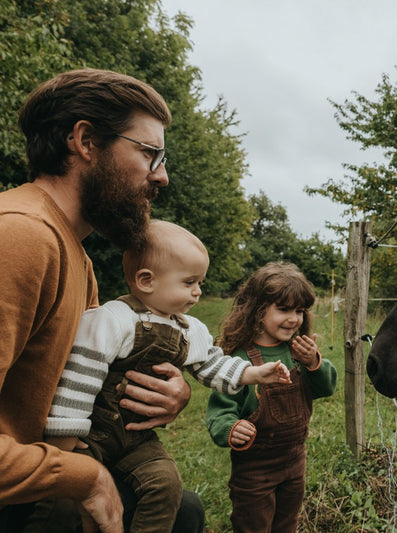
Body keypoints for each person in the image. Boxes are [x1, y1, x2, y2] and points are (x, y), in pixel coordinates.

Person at [0, 68, 197, 533]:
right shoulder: (20, 236)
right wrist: (85, 477)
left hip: (34, 481)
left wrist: (174, 390)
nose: (162, 176)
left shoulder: (75, 255)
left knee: (183, 510)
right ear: (85, 141)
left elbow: (82, 372)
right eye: (150, 154)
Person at [44, 220, 292, 533]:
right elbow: (81, 375)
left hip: (135, 438)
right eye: (189, 282)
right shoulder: (112, 320)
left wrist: (254, 373)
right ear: (146, 281)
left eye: (200, 282)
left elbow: (210, 365)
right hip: (90, 435)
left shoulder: (189, 329)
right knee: (59, 502)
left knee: (166, 482)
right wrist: (64, 437)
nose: (198, 291)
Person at [206, 262, 338, 533]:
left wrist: (313, 362)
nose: (294, 319)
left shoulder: (298, 352)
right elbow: (219, 411)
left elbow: (327, 387)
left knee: (287, 524)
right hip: (254, 470)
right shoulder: (240, 360)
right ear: (257, 310)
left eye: (299, 311)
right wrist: (230, 428)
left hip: (294, 461)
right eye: (284, 309)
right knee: (253, 526)